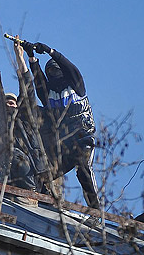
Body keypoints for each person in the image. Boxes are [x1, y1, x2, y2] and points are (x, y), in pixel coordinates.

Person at [21, 40, 101, 209]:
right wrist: (31, 57)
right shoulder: (49, 94)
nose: (52, 75)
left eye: (55, 71)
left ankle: (96, 211)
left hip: (83, 138)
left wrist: (51, 52)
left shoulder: (76, 86)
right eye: (49, 72)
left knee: (83, 168)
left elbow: (71, 68)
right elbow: (38, 81)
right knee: (42, 172)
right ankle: (45, 201)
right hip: (64, 144)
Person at [8, 42, 50, 193]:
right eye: (6, 102)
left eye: (12, 102)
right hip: (13, 164)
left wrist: (21, 60)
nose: (10, 105)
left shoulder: (24, 117)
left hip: (35, 164)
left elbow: (28, 88)